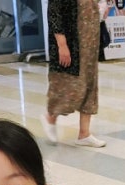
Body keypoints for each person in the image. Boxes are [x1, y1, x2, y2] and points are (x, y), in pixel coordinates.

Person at [41, 0, 106, 147]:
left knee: (90, 85)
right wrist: (62, 45)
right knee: (68, 86)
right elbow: (54, 14)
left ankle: (84, 134)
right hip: (71, 43)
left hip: (90, 42)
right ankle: (50, 118)